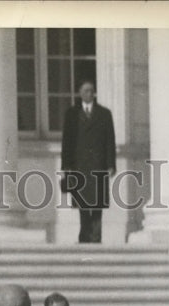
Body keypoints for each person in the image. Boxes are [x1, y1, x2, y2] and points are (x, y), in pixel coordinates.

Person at [61, 80, 116, 243]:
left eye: (91, 91)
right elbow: (67, 142)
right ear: (79, 92)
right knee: (83, 203)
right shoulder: (71, 114)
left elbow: (110, 141)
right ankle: (84, 236)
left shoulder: (104, 114)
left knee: (98, 203)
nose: (89, 94)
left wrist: (111, 164)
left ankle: (96, 236)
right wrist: (66, 166)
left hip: (98, 165)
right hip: (80, 166)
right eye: (85, 91)